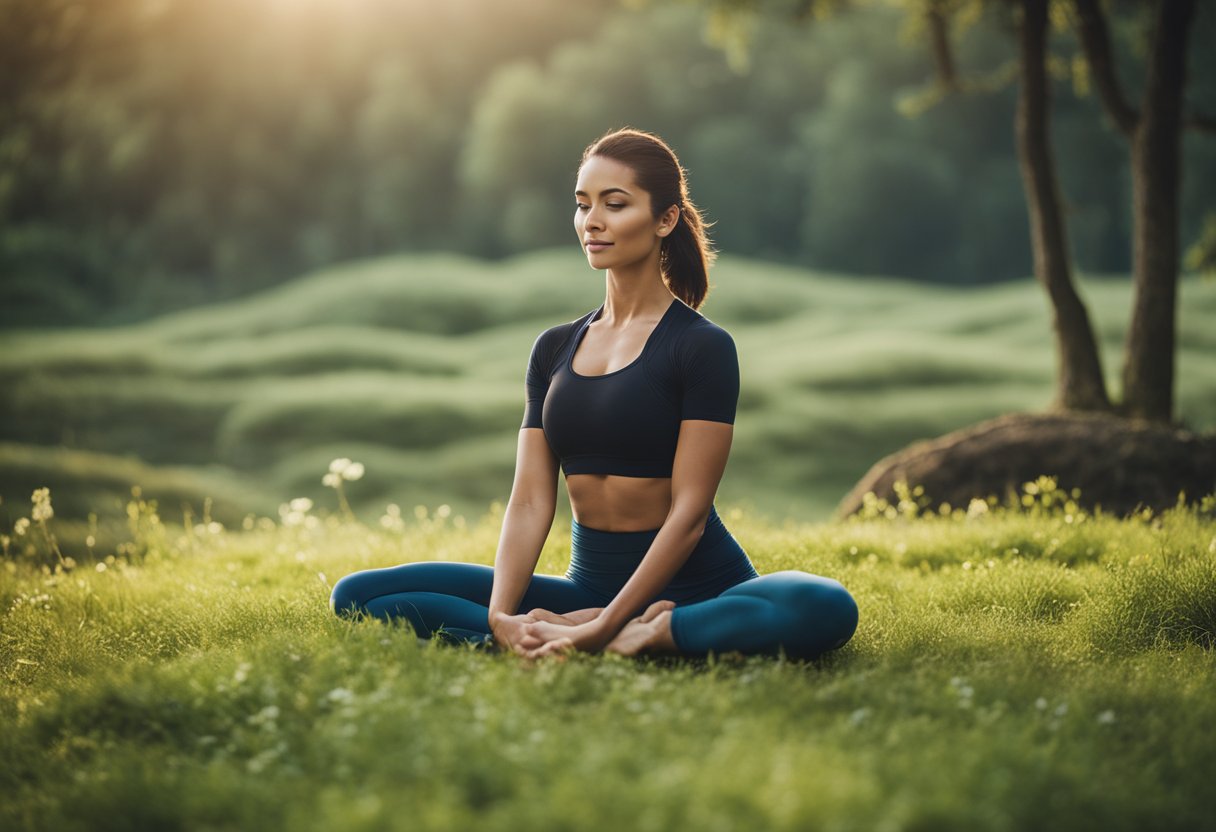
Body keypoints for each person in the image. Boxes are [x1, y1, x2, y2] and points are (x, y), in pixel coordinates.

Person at [330, 127, 858, 660]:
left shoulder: (701, 347)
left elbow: (690, 513)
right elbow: (531, 499)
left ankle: (651, 631)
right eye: (583, 205)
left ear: (665, 219)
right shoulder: (554, 347)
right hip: (588, 586)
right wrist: (501, 615)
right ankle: (554, 636)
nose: (593, 221)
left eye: (615, 204)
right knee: (357, 594)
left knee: (823, 605)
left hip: (700, 589)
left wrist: (605, 624)